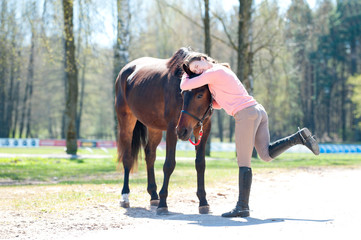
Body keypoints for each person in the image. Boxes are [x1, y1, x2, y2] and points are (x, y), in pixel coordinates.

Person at [180, 53, 319, 218]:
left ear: (204, 59)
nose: (197, 71)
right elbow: (219, 104)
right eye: (194, 70)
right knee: (265, 155)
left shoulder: (214, 72)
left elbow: (184, 85)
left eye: (196, 67)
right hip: (258, 110)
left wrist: (186, 73)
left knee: (243, 162)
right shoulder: (217, 76)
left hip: (245, 114)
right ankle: (298, 138)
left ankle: (242, 206)